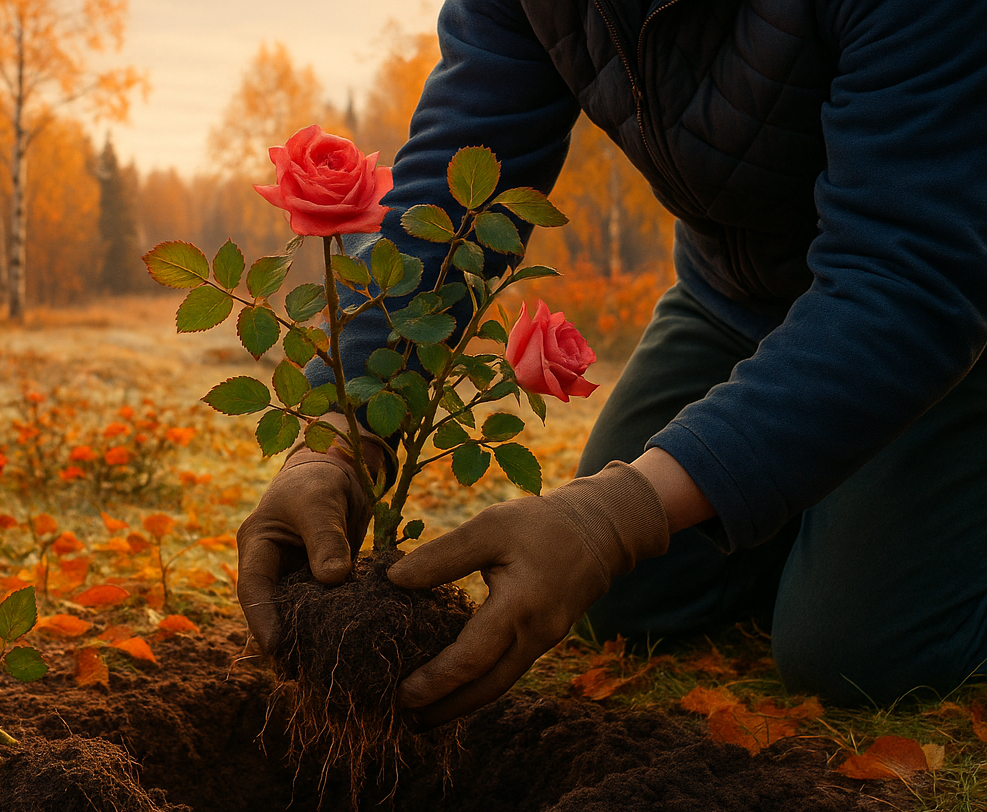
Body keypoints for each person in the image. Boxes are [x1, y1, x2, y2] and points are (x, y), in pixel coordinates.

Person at [236, 0, 987, 728]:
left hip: (943, 296)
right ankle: (834, 492)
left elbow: (911, 277)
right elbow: (455, 194)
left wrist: (617, 515)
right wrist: (337, 431)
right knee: (622, 603)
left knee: (855, 651)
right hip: (737, 296)